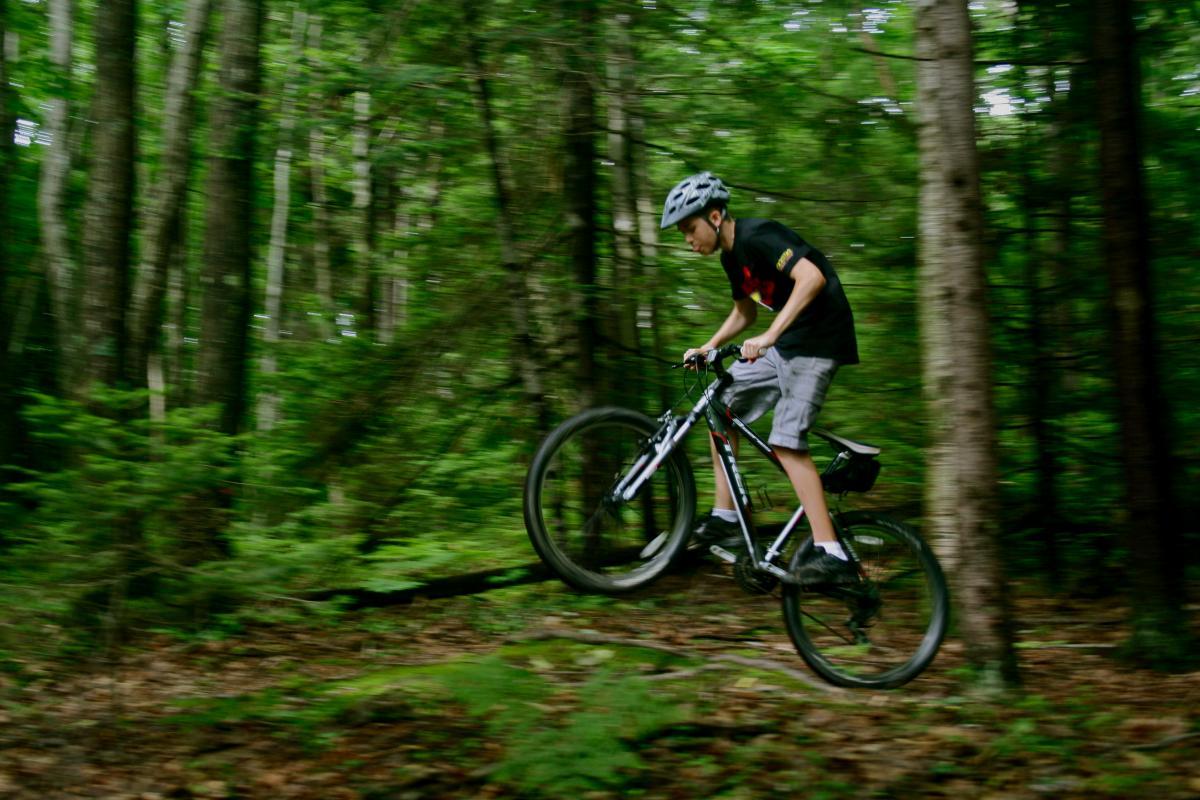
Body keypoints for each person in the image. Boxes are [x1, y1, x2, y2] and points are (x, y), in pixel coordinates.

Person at [661, 171, 859, 585]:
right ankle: (726, 516)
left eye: (689, 228)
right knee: (722, 405)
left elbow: (812, 277)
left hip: (819, 340)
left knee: (786, 443)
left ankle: (832, 552)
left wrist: (770, 335)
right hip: (787, 343)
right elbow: (744, 314)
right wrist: (708, 346)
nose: (687, 239)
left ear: (715, 217)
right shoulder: (732, 258)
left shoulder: (759, 235)